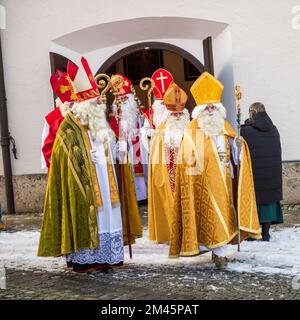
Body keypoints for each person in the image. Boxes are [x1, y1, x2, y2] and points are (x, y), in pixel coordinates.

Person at [38, 57, 141, 273]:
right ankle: (87, 259)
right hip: (86, 189)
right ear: (83, 104)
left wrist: (119, 149)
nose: (97, 106)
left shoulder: (99, 122)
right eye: (94, 102)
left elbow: (109, 145)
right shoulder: (69, 125)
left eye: (97, 102)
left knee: (109, 216)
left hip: (107, 184)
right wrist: (85, 156)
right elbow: (61, 157)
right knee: (93, 218)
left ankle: (109, 256)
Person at [169, 72, 261, 268]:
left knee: (224, 216)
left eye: (213, 107)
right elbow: (187, 159)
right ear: (200, 110)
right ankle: (216, 252)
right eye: (207, 107)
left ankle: (219, 253)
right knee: (210, 217)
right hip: (203, 181)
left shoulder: (225, 126)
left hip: (225, 178)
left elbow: (236, 155)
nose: (210, 110)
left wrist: (238, 144)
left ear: (218, 109)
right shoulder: (191, 131)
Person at [148, 83, 190, 243]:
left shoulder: (190, 129)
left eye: (181, 114)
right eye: (175, 115)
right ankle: (171, 232)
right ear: (168, 115)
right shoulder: (160, 133)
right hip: (167, 177)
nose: (178, 117)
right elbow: (156, 163)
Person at [241, 102, 283, 241]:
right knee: (269, 203)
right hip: (272, 173)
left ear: (252, 113)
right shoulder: (274, 129)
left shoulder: (246, 131)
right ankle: (266, 233)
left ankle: (254, 233)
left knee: (257, 202)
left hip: (257, 173)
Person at [109, 73, 147, 202]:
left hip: (139, 149)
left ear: (131, 99)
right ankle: (130, 197)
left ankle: (143, 196)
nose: (123, 102)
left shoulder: (139, 114)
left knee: (141, 171)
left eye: (126, 99)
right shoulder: (114, 118)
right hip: (124, 150)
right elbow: (112, 134)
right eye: (120, 100)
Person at [41, 70, 77, 172]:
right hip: (61, 164)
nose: (73, 106)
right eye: (70, 104)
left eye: (74, 103)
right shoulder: (51, 118)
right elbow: (47, 145)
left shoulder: (83, 113)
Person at [141, 68, 174, 153]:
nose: (164, 105)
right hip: (157, 149)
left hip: (173, 148)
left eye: (165, 102)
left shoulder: (177, 111)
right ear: (157, 102)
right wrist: (150, 132)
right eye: (162, 103)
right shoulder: (150, 114)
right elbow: (144, 131)